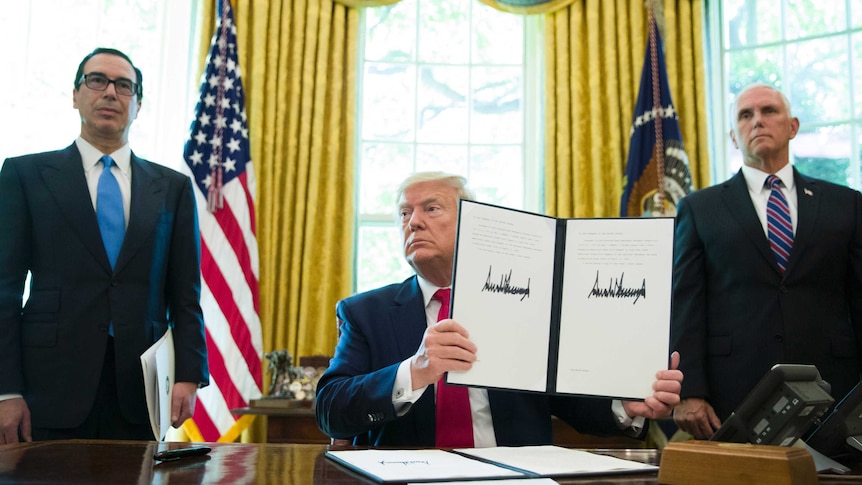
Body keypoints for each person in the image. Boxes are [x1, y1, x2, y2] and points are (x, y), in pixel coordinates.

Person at [315, 171, 683, 447]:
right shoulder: (365, 313)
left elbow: (563, 397)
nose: (413, 221)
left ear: (472, 223)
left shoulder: (527, 300)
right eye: (404, 213)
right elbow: (329, 411)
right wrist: (413, 371)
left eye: (431, 208)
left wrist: (624, 404)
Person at [0, 47, 209, 443]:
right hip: (47, 387)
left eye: (124, 86)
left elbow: (185, 294)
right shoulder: (25, 175)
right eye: (97, 80)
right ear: (76, 95)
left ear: (138, 104)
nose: (110, 92)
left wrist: (188, 374)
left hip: (141, 390)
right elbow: (4, 290)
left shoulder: (173, 189)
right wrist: (5, 390)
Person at [671, 83, 862, 439]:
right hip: (734, 392)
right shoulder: (700, 209)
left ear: (792, 126)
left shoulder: (846, 204)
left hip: (835, 391)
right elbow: (686, 304)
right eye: (746, 115)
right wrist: (689, 390)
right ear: (733, 136)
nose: (757, 121)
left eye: (769, 111)